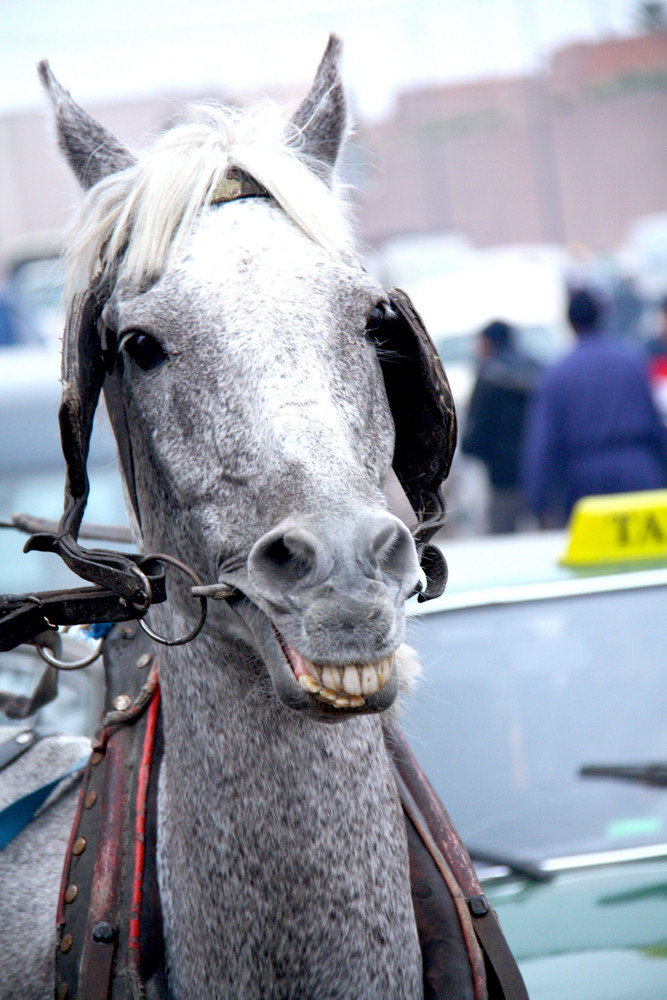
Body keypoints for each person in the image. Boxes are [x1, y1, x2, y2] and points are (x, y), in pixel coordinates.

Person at [521, 287, 667, 526]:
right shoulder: (632, 359)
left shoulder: (558, 373)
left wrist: (538, 502)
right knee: (647, 559)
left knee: (597, 559)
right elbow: (654, 421)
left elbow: (543, 442)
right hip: (639, 472)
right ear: (602, 316)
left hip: (586, 484)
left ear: (570, 323)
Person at [461, 319, 540, 533]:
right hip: (539, 471)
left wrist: (472, 450)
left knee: (503, 541)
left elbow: (477, 428)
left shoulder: (488, 376)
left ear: (489, 343)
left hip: (502, 477)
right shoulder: (536, 369)